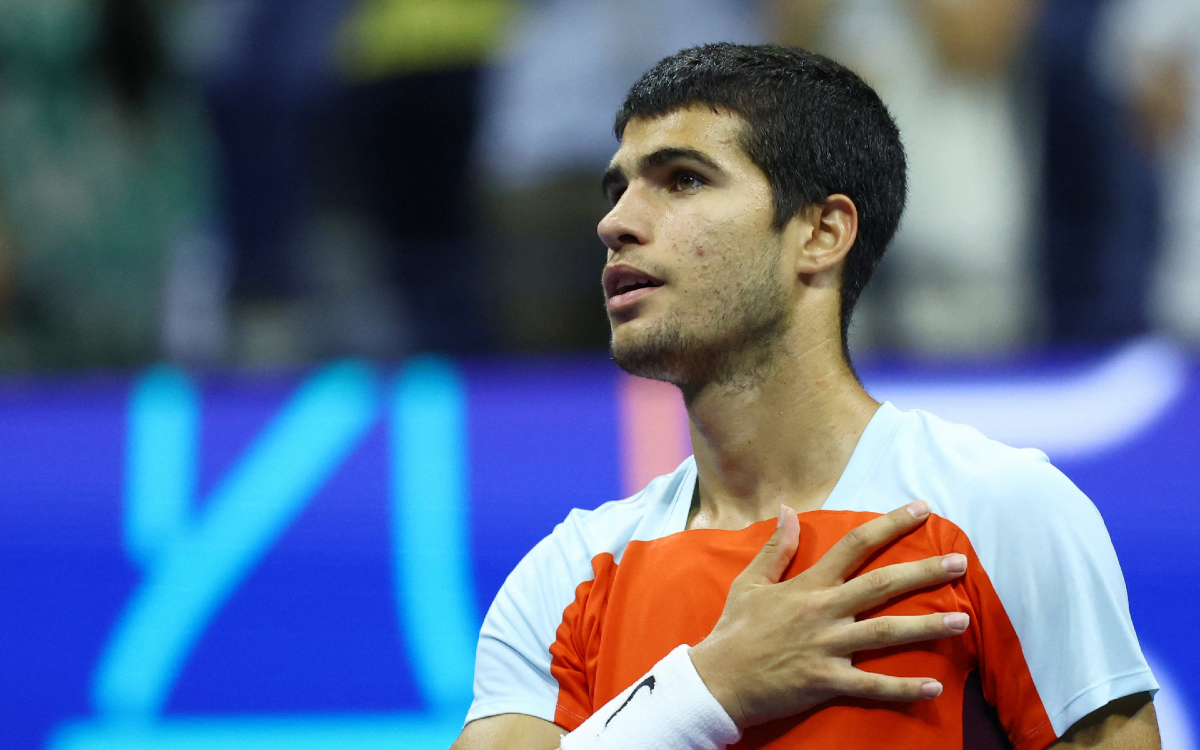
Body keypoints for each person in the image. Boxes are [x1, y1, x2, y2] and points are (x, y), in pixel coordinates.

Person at [453, 44, 1161, 750]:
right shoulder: (571, 571)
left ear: (821, 233)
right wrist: (706, 692)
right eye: (619, 189)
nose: (615, 224)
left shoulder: (999, 509)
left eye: (684, 180)